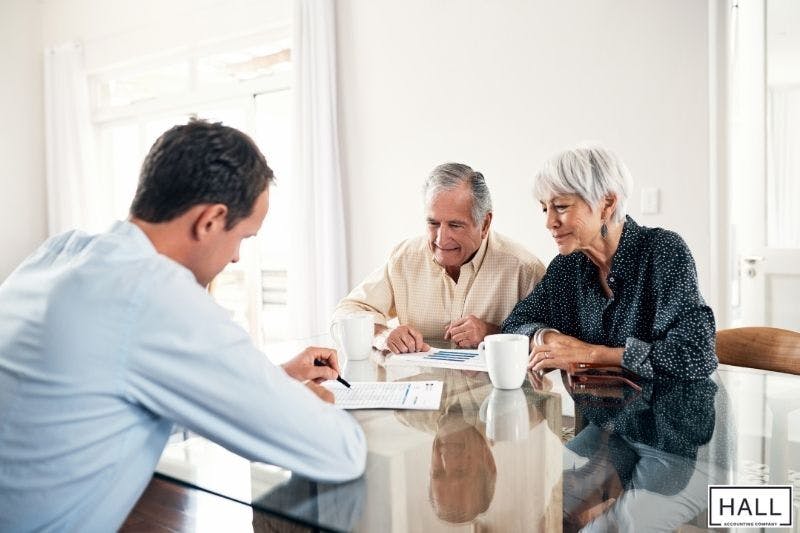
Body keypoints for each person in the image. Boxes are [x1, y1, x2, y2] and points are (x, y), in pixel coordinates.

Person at [0, 119, 366, 532]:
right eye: (243, 237)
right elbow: (338, 450)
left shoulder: (62, 252)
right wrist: (302, 406)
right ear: (210, 220)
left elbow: (114, 392)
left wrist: (274, 379)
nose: (235, 260)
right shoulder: (153, 292)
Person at [502, 143, 717, 380]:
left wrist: (593, 354)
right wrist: (553, 340)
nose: (549, 222)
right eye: (545, 209)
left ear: (607, 204)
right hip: (597, 415)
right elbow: (515, 324)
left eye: (561, 206)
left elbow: (696, 355)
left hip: (663, 414)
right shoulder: (567, 267)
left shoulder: (663, 251)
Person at [333, 163, 545, 354]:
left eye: (455, 225)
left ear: (485, 224)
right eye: (433, 223)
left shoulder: (524, 269)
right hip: (421, 393)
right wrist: (382, 334)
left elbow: (551, 341)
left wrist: (493, 334)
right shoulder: (405, 258)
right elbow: (346, 313)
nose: (441, 239)